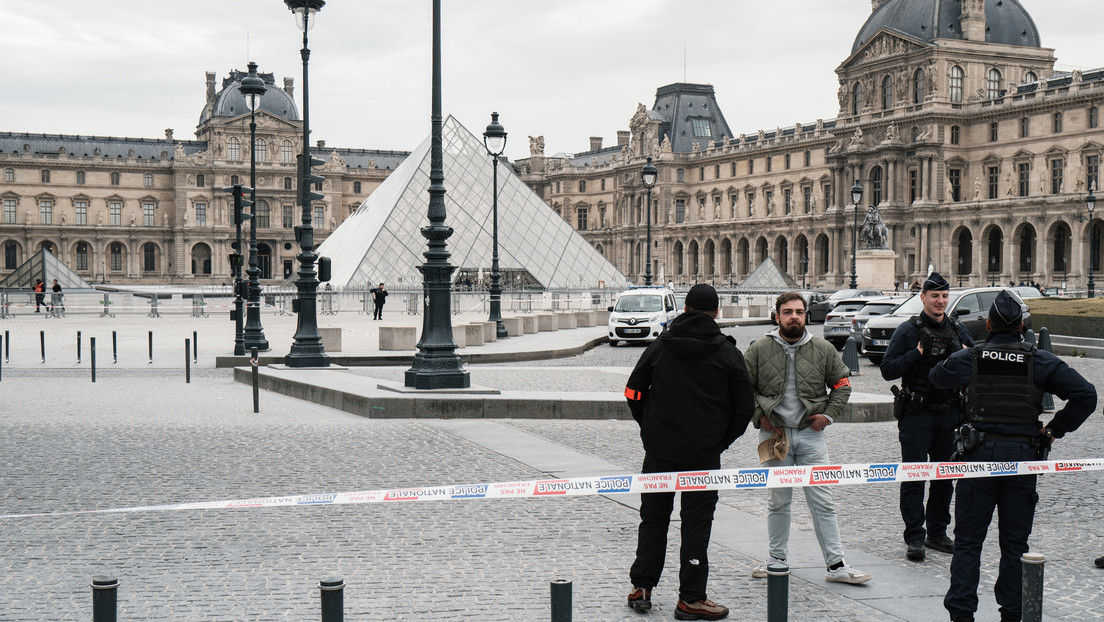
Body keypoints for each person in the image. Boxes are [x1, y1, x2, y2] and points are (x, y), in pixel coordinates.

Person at [930, 290, 1096, 622]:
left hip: (978, 457)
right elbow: (1086, 395)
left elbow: (937, 377)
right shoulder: (1039, 360)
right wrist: (1053, 430)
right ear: (1021, 326)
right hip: (1022, 459)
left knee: (967, 543)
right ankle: (1013, 612)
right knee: (1014, 545)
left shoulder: (972, 357)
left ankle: (961, 615)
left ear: (988, 324)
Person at [624, 284, 753, 620]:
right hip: (703, 455)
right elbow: (744, 409)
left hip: (659, 452)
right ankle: (691, 598)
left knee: (653, 519)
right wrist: (719, 441)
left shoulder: (661, 345)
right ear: (717, 312)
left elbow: (633, 391)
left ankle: (642, 587)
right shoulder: (728, 353)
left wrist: (649, 428)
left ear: (684, 308)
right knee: (696, 524)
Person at [745, 291, 871, 585]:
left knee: (823, 501)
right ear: (777, 316)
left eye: (799, 312)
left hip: (811, 438)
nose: (794, 317)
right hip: (773, 436)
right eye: (787, 312)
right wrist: (757, 415)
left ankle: (836, 564)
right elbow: (741, 388)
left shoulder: (824, 349)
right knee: (778, 501)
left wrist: (828, 416)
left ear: (806, 316)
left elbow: (842, 384)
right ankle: (776, 560)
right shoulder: (758, 350)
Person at [880, 272, 973, 562]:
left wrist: (967, 356)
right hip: (917, 415)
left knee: (945, 477)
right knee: (915, 477)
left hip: (949, 415)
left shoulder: (958, 330)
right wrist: (915, 354)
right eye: (935, 296)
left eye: (945, 296)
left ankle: (937, 532)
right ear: (923, 298)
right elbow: (887, 369)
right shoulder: (909, 330)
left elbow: (977, 364)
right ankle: (915, 538)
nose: (940, 301)